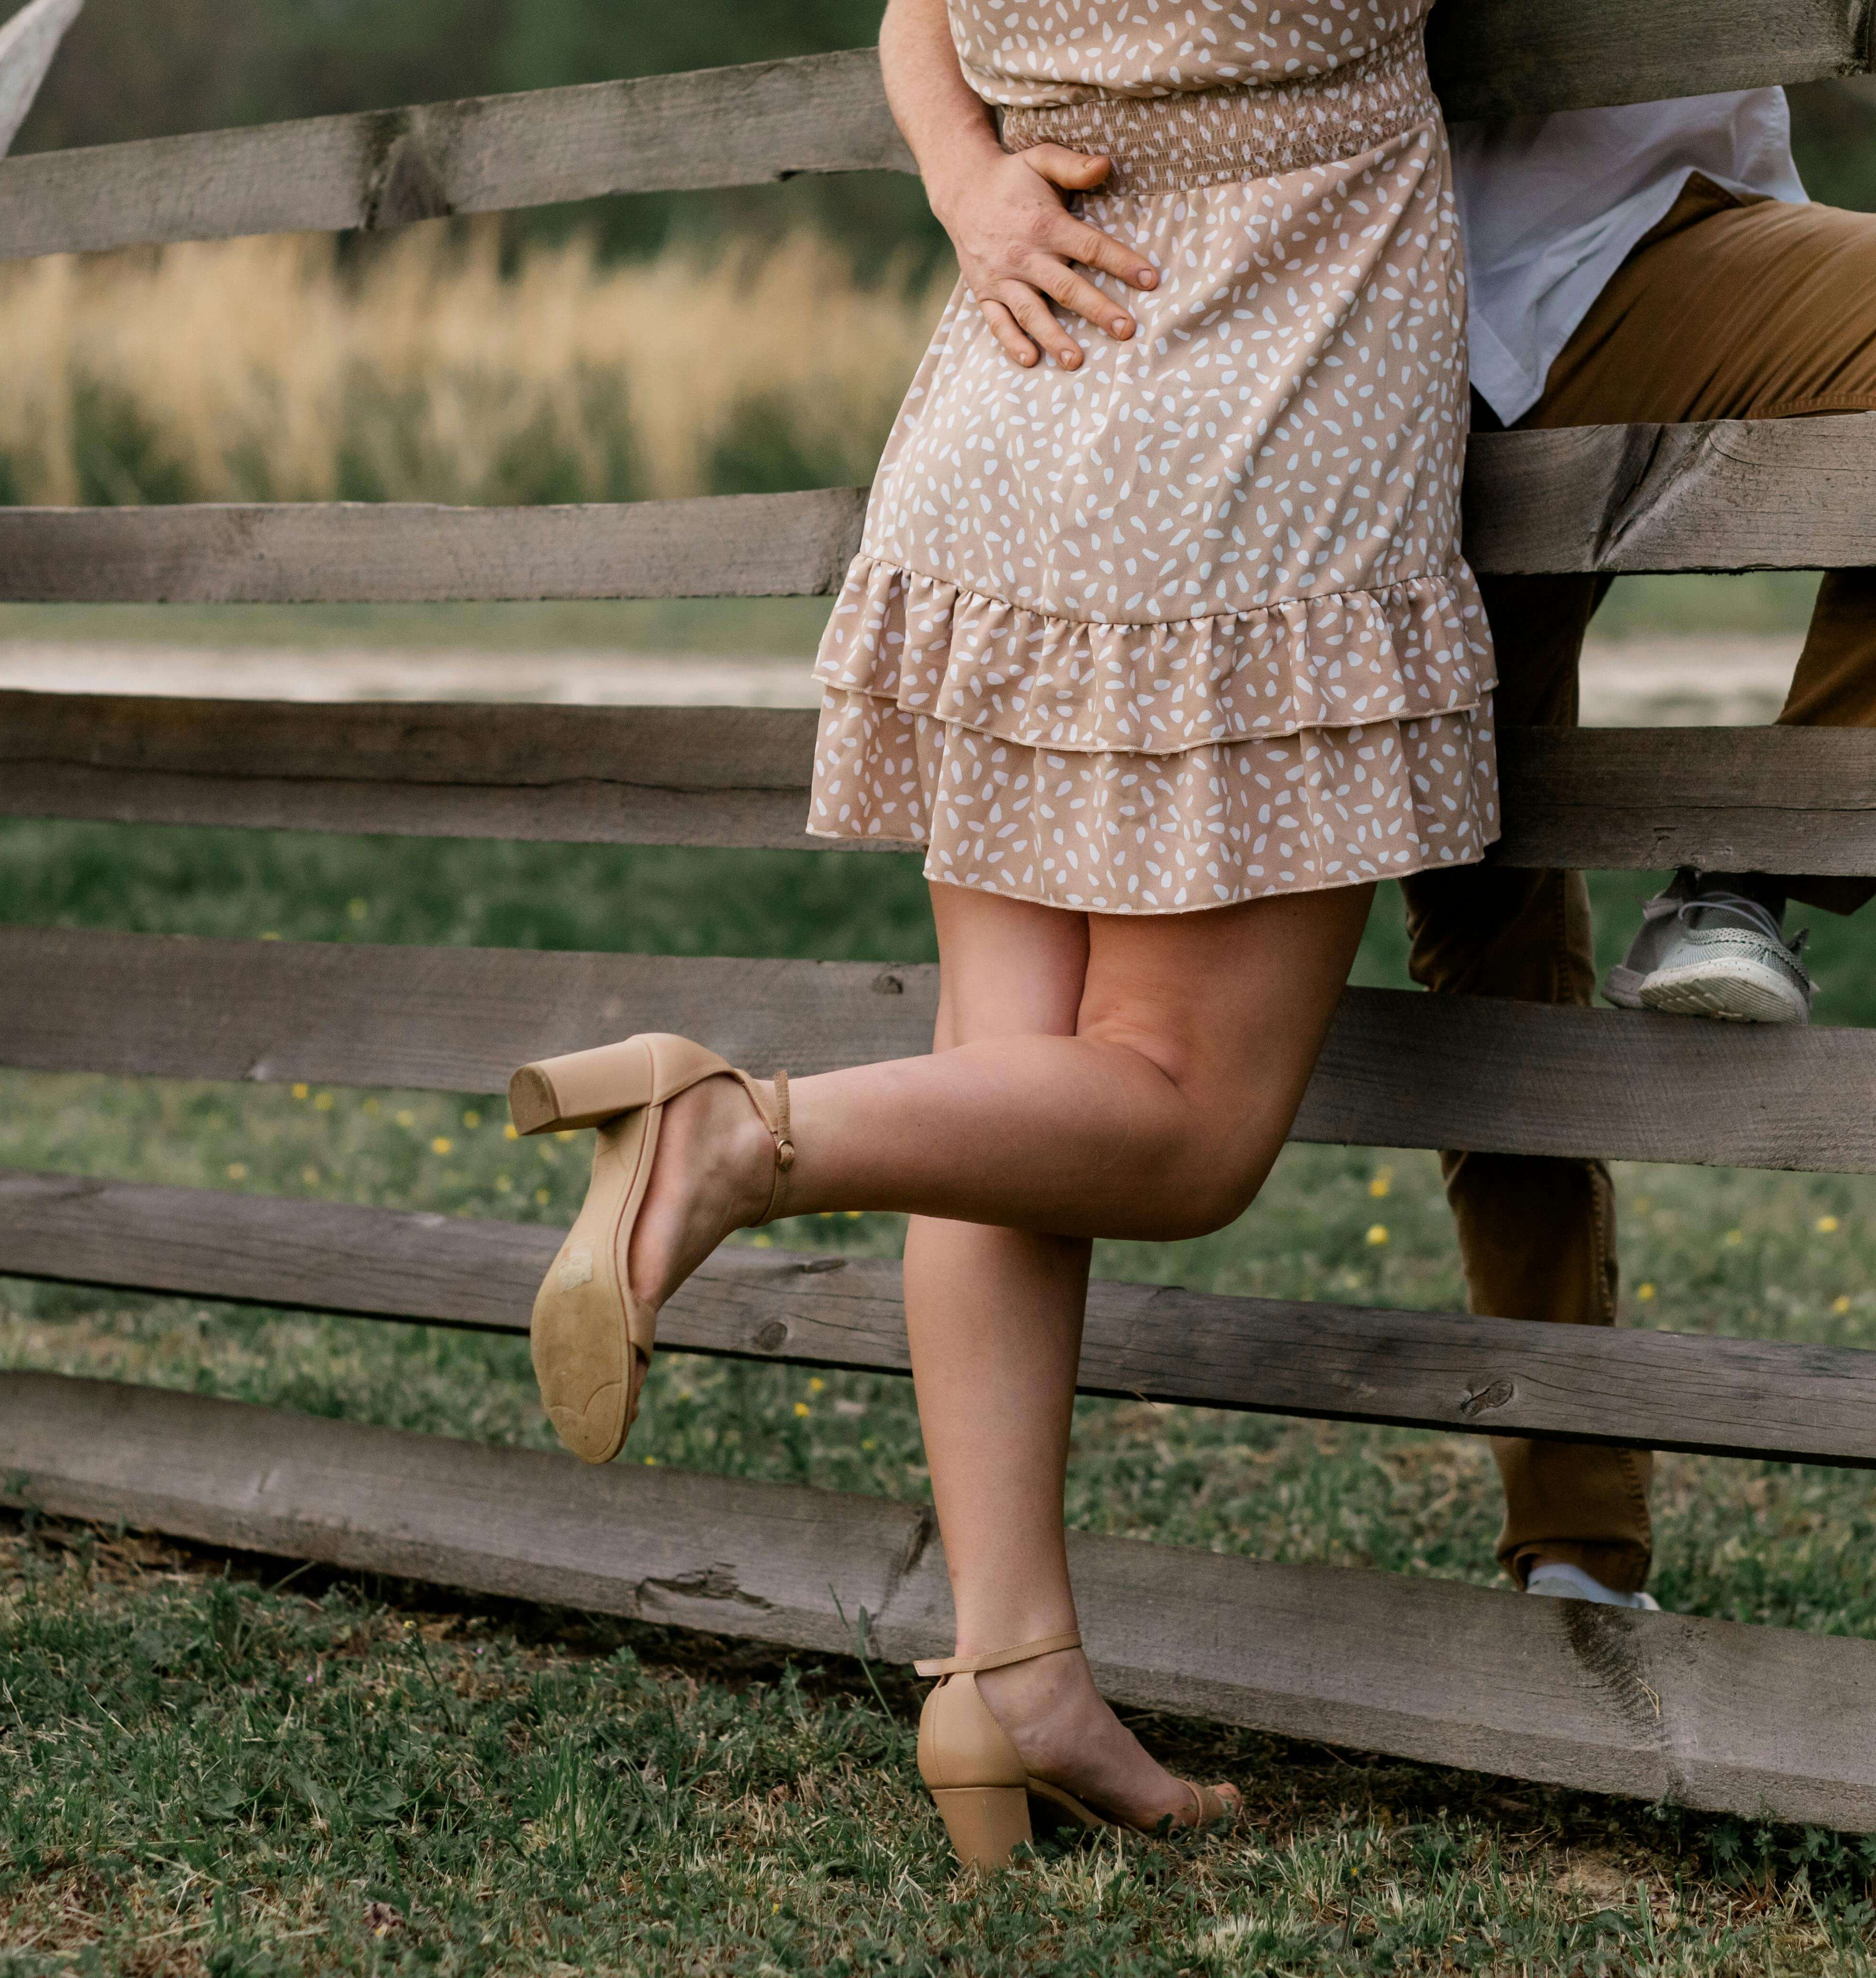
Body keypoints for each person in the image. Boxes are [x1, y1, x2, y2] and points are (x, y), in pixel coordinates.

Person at [505, 0, 1496, 1870]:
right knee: (1178, 1120)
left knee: (1012, 1086)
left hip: (1021, 395)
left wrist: (969, 179)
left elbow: (917, 17)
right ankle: (734, 1132)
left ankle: (1011, 1672)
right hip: (1249, 433)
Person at [1416, 89, 1876, 1609]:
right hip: (1360, 313)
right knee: (1486, 917)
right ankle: (1577, 1547)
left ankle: (1751, 867)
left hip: (1648, 243)